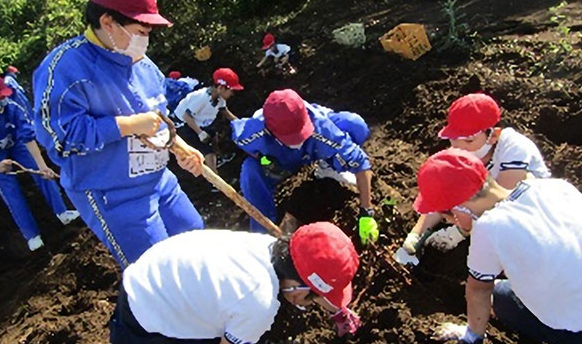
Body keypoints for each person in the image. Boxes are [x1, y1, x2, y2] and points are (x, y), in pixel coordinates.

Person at [33, 0, 205, 268]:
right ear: (108, 22)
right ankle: (139, 311)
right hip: (112, 193)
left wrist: (178, 146)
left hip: (159, 180)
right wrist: (128, 125)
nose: (145, 41)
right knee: (156, 270)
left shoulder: (142, 65)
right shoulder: (66, 67)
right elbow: (60, 138)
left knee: (196, 240)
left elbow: (158, 117)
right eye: (140, 32)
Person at [414, 148, 582, 344]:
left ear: (461, 206)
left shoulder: (488, 227)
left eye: (448, 215)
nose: (452, 222)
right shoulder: (554, 187)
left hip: (575, 330)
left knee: (498, 297)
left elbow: (479, 291)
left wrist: (471, 336)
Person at [110, 221, 362, 344]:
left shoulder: (264, 246)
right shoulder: (259, 304)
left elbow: (308, 280)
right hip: (147, 320)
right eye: (313, 298)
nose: (311, 303)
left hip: (150, 277)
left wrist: (338, 311)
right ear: (297, 289)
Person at [401, 93, 550, 255]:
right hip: (483, 216)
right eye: (453, 139)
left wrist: (460, 232)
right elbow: (441, 195)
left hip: (534, 221)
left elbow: (503, 206)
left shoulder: (514, 148)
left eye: (469, 140)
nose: (459, 147)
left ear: (493, 135)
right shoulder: (460, 155)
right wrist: (416, 233)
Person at [231, 89, 378, 245]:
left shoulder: (322, 128)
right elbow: (244, 144)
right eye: (291, 137)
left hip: (314, 148)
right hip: (281, 158)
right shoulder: (253, 131)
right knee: (249, 170)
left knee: (356, 125)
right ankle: (262, 234)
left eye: (300, 133)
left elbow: (361, 164)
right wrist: (264, 159)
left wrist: (366, 213)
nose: (297, 141)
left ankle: (328, 166)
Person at [0, 72, 79, 251]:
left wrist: (42, 166)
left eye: (2, 96)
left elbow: (27, 136)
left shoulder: (12, 107)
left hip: (15, 142)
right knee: (10, 191)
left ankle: (62, 212)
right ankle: (32, 236)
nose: (0, 101)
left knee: (41, 173)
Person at [172, 68, 242, 173]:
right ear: (221, 88)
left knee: (214, 135)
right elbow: (187, 116)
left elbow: (225, 111)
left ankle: (218, 159)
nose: (232, 93)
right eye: (231, 90)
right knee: (207, 150)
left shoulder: (220, 98)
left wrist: (241, 123)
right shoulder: (202, 97)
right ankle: (215, 182)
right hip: (184, 124)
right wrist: (200, 133)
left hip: (201, 122)